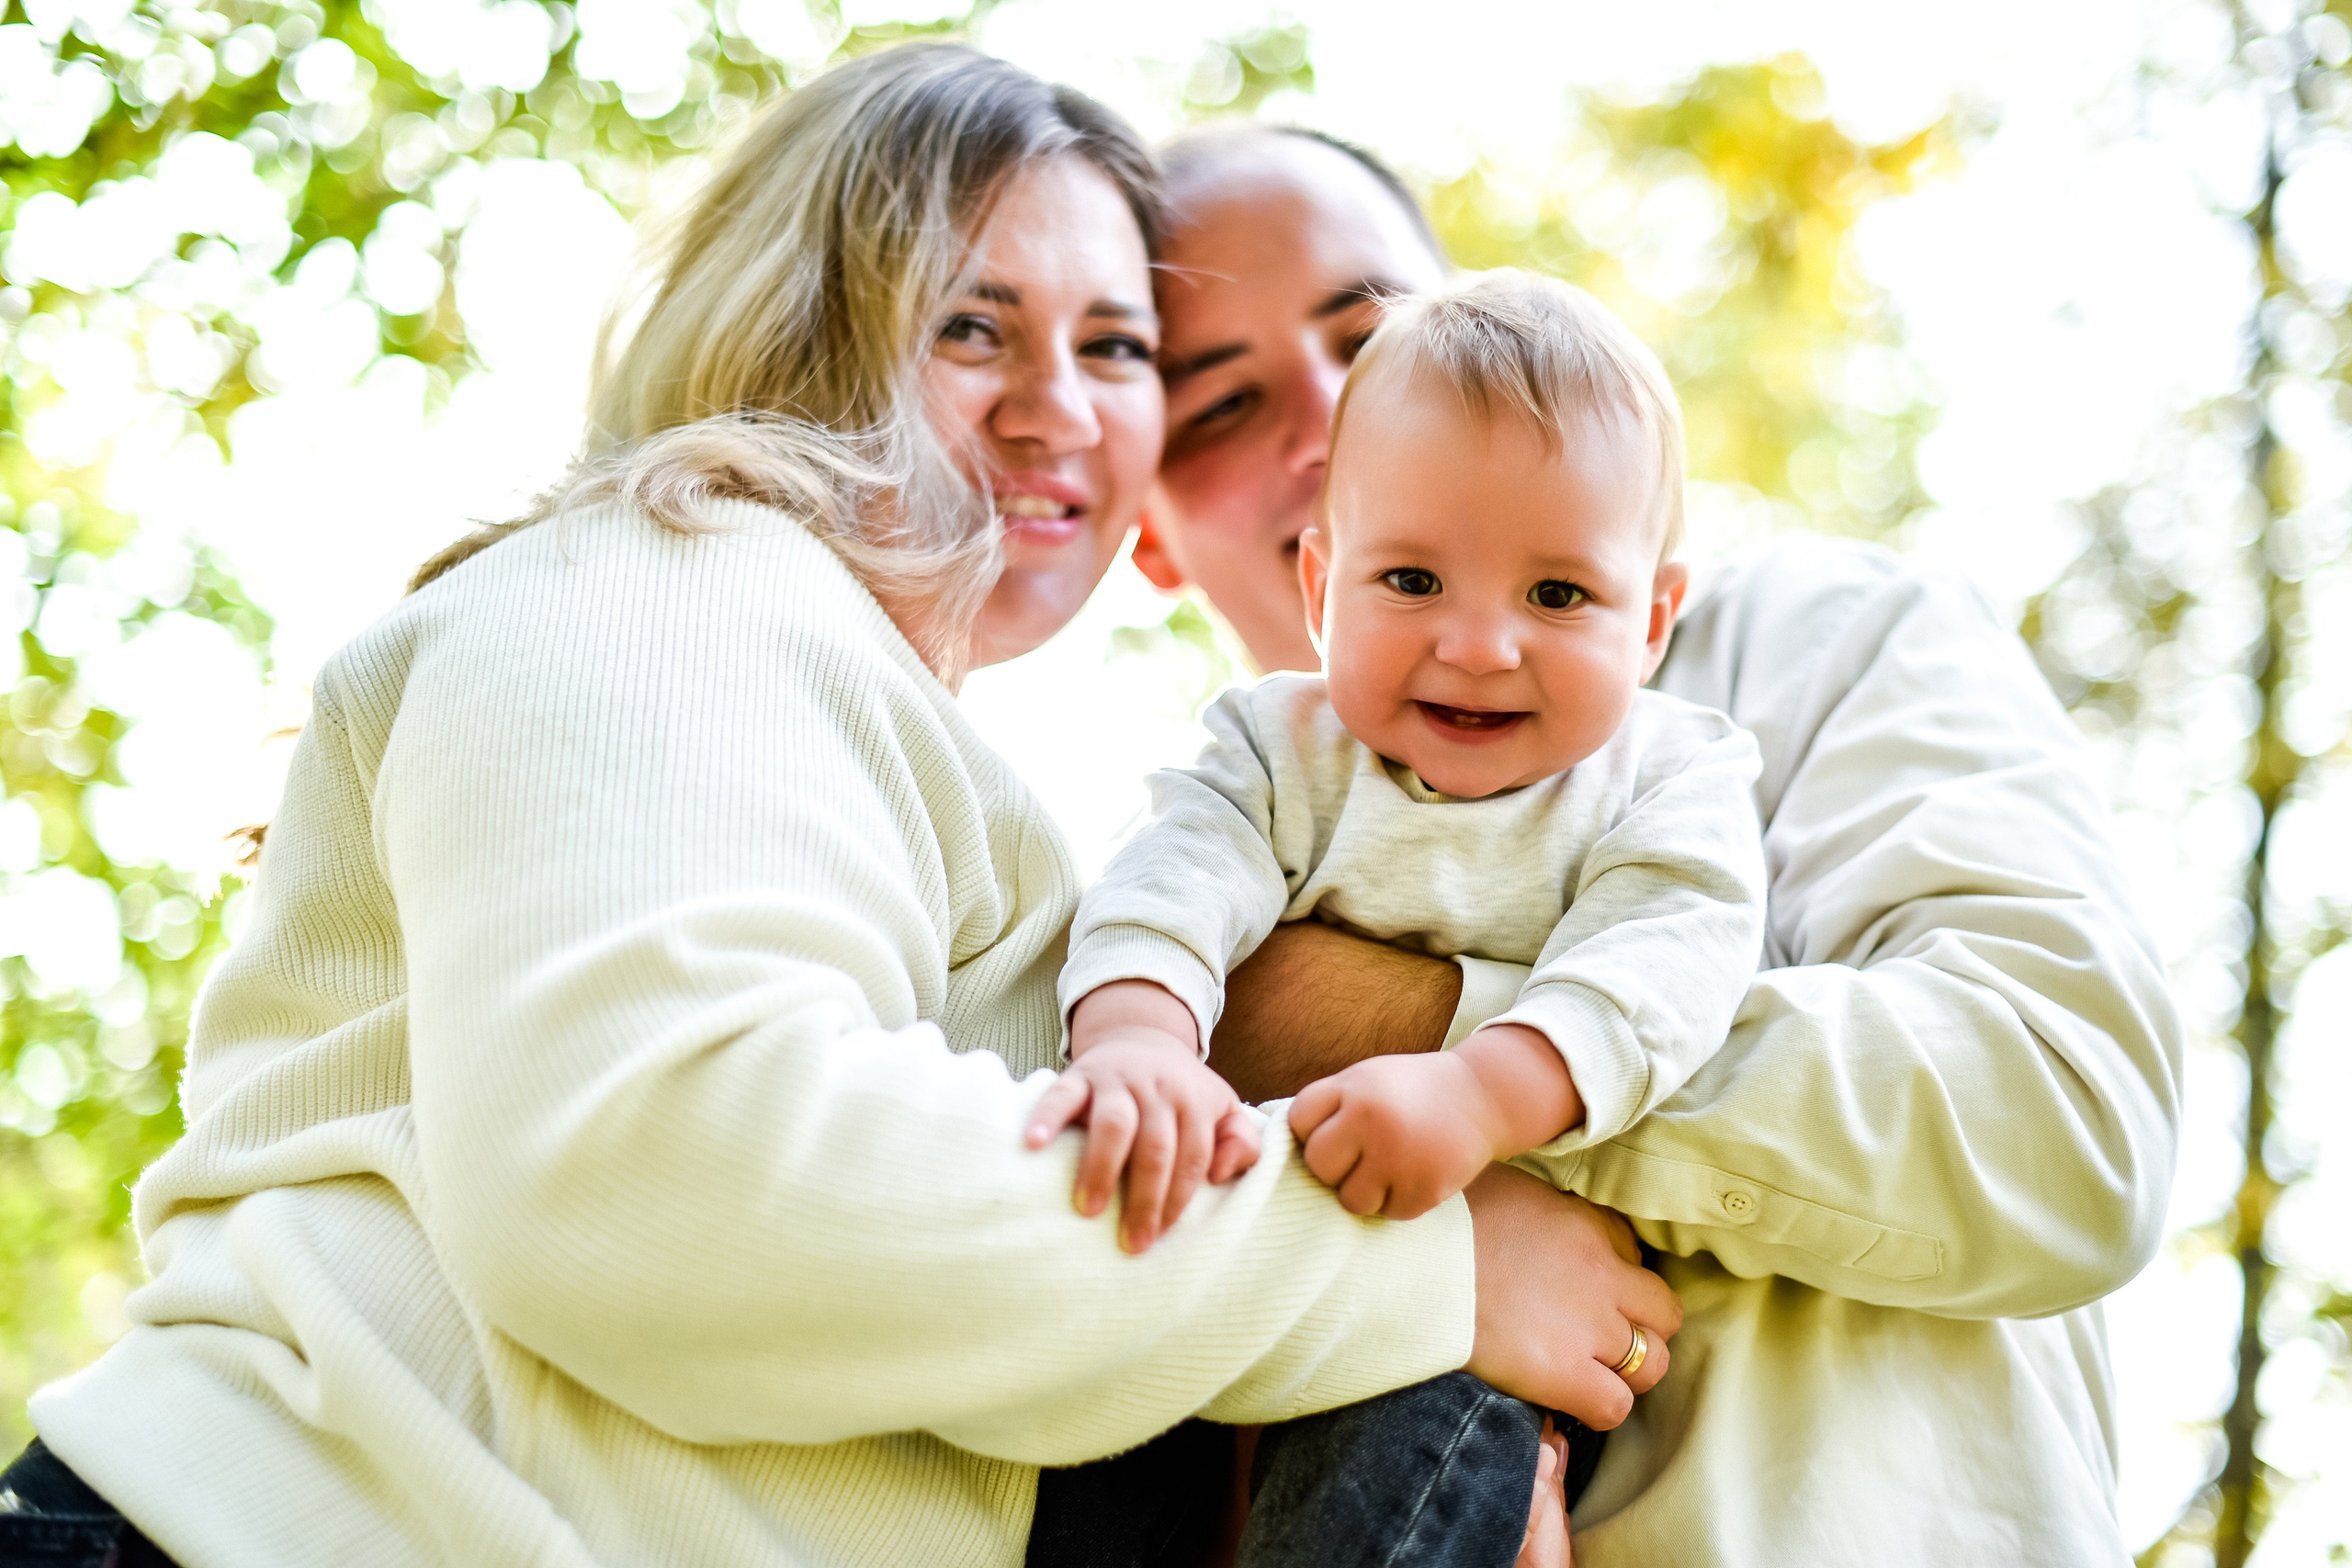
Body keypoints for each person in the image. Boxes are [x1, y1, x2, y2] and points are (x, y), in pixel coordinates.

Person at [0, 49, 1676, 1568]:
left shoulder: (874, 730)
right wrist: (1425, 1286)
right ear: (802, 321)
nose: (1061, 406)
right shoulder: (669, 572)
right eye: (974, 324)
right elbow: (673, 1169)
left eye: (1115, 348)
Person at [1139, 123, 2185, 1565]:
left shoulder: (1817, 644)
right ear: (1147, 528)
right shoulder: (1166, 889)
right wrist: (1430, 1264)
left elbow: (2067, 1124)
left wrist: (1454, 1066)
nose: (1321, 413)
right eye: (1218, 403)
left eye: (1369, 331)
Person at [1028, 271, 1768, 1568]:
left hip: (1474, 1312)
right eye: (1413, 577)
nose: (1480, 646)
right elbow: (1172, 880)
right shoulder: (1280, 747)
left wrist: (1486, 1094)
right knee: (1092, 1422)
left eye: (1557, 597)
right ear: (1324, 586)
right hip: (1239, 1245)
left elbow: (1668, 962)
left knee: (1396, 1481)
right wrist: (1138, 1040)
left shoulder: (1667, 779)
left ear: (1652, 617)